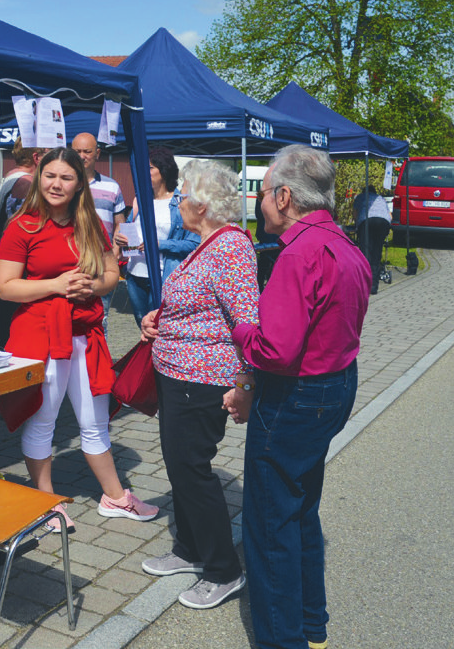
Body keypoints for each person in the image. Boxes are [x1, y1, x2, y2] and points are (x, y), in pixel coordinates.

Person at [228, 145, 371, 649]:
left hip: (296, 396)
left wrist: (241, 326)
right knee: (300, 508)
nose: (259, 201)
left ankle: (282, 640)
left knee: (269, 529)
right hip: (334, 386)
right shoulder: (345, 245)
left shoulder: (298, 253)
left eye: (263, 191)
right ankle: (311, 626)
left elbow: (274, 350)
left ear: (284, 196)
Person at [0, 147, 159, 530]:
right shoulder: (23, 226)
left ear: (78, 184)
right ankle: (46, 502)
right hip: (40, 337)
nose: (56, 184)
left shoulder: (90, 226)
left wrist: (91, 285)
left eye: (66, 177)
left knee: (95, 421)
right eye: (50, 175)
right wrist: (55, 284)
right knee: (43, 423)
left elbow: (110, 277)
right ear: (39, 178)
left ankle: (116, 498)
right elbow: (4, 287)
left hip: (86, 336)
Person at [138, 159, 258, 610]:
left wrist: (246, 379)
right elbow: (196, 304)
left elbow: (249, 321)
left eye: (184, 193)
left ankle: (224, 569)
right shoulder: (205, 244)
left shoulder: (229, 248)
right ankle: (189, 549)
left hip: (201, 379)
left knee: (192, 471)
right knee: (178, 467)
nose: (179, 200)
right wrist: (158, 319)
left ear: (202, 204)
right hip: (176, 373)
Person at [115, 145, 199, 325]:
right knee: (143, 326)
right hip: (134, 274)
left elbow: (193, 243)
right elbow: (129, 230)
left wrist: (159, 244)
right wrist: (121, 239)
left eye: (150, 168)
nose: (145, 172)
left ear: (164, 170)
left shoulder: (180, 202)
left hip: (163, 276)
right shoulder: (140, 200)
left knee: (160, 327)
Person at [0, 140, 44, 347]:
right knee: (7, 323)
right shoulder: (25, 183)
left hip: (1, 254)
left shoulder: (11, 176)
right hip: (13, 261)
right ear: (36, 157)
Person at [71, 132, 127, 320]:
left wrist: (115, 251)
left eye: (87, 151)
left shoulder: (112, 187)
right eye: (77, 151)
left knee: (99, 319)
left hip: (101, 265)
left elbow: (120, 223)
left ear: (98, 153)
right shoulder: (64, 185)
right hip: (70, 262)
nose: (81, 156)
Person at [352, 185, 391, 294]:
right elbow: (390, 215)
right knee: (376, 253)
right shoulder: (380, 198)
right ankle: (374, 286)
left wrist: (357, 226)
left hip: (367, 221)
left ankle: (365, 285)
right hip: (383, 222)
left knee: (366, 253)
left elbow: (355, 214)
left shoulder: (360, 197)